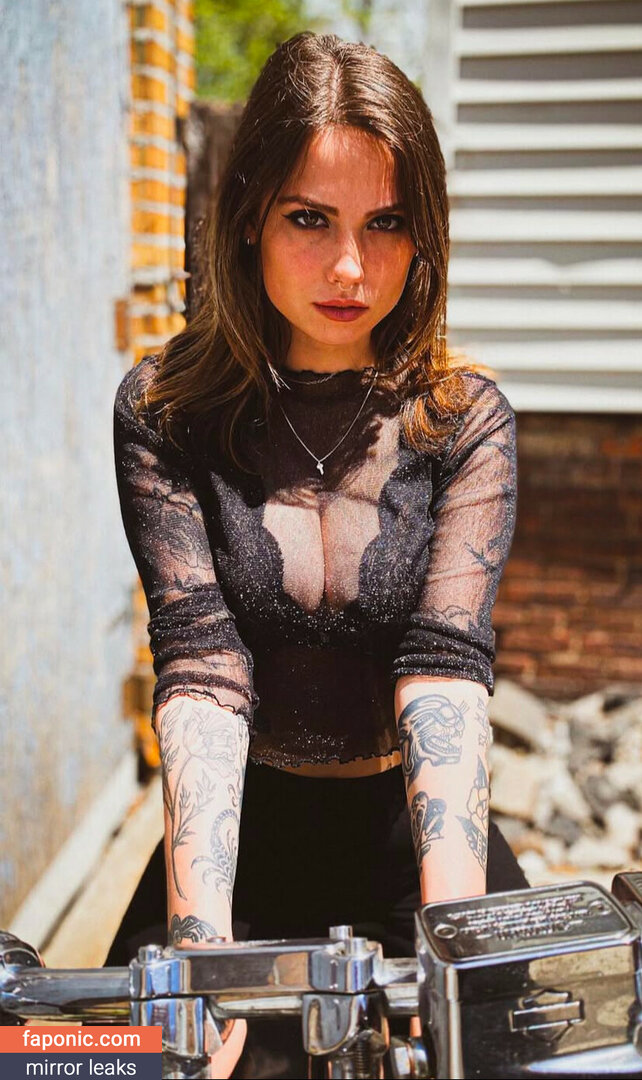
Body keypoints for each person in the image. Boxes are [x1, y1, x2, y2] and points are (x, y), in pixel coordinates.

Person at [108, 30, 528, 1078]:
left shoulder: (466, 419)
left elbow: (445, 671)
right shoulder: (164, 412)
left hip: (412, 843)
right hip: (241, 845)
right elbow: (201, 666)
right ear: (250, 214)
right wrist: (199, 950)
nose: (351, 268)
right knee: (116, 1058)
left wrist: (450, 944)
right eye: (311, 219)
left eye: (387, 223)